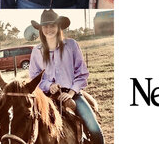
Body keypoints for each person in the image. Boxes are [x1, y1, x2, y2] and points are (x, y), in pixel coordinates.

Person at [28, 9, 104, 144]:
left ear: (58, 27)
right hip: (46, 97)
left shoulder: (71, 45)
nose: (49, 29)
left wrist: (71, 92)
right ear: (41, 29)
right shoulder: (37, 51)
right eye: (45, 26)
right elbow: (33, 77)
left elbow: (81, 73)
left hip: (72, 94)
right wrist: (48, 85)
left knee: (94, 129)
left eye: (52, 25)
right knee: (27, 125)